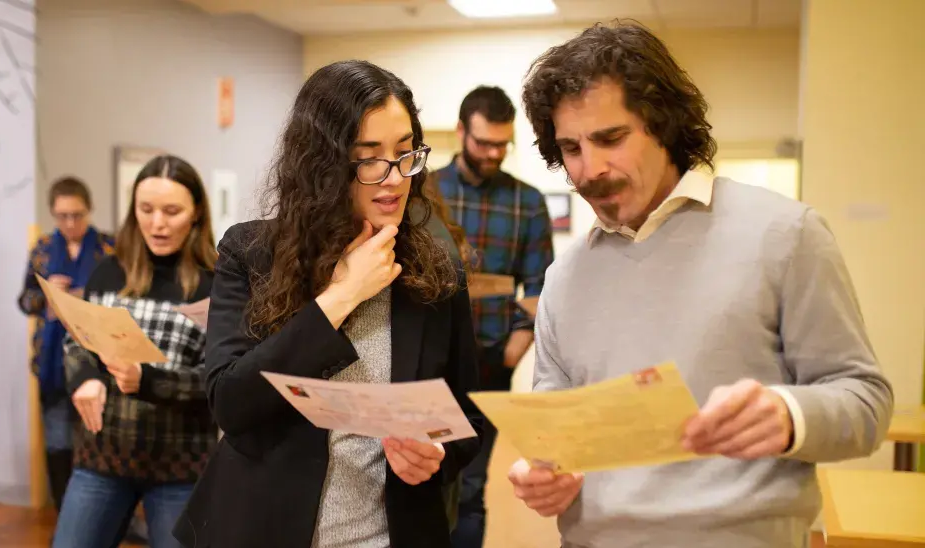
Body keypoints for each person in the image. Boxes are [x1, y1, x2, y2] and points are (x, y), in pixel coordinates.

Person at [509, 20, 893, 547]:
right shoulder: (564, 278)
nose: (589, 169)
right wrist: (543, 471)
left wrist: (788, 415)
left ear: (662, 125)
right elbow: (557, 433)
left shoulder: (784, 234)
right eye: (571, 148)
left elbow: (865, 402)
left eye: (610, 139)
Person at [175, 59, 484, 548]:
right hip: (265, 529)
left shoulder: (434, 268)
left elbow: (469, 416)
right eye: (369, 158)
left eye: (406, 154)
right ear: (322, 164)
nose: (395, 178)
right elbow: (231, 404)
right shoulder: (251, 254)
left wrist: (438, 452)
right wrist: (340, 298)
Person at [51, 155, 218, 548]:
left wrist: (148, 380)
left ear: (196, 214)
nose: (157, 223)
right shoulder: (109, 272)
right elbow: (79, 340)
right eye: (146, 210)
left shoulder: (218, 283)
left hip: (182, 467)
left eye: (171, 211)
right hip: (103, 458)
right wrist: (86, 378)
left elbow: (217, 379)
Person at [432, 85, 555, 548]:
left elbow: (541, 285)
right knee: (421, 481)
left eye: (502, 144)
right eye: (483, 143)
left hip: (490, 362)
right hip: (429, 364)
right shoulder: (425, 191)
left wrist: (517, 345)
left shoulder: (528, 202)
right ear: (461, 132)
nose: (493, 153)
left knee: (470, 486)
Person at [19, 176, 115, 511]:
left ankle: (104, 515)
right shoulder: (44, 248)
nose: (70, 223)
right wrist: (48, 298)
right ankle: (64, 512)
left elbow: (124, 301)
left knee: (99, 439)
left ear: (89, 210)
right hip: (52, 360)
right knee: (58, 441)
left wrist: (80, 298)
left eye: (77, 214)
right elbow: (25, 299)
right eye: (62, 216)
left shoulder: (108, 247)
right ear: (53, 214)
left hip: (99, 359)